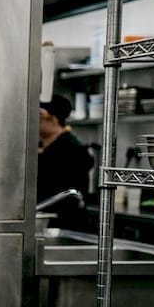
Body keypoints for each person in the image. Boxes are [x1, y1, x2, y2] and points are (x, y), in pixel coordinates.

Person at [37, 94, 93, 229]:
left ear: (53, 119)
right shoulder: (39, 147)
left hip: (66, 222)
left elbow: (67, 194)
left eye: (39, 117)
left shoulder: (73, 149)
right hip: (42, 219)